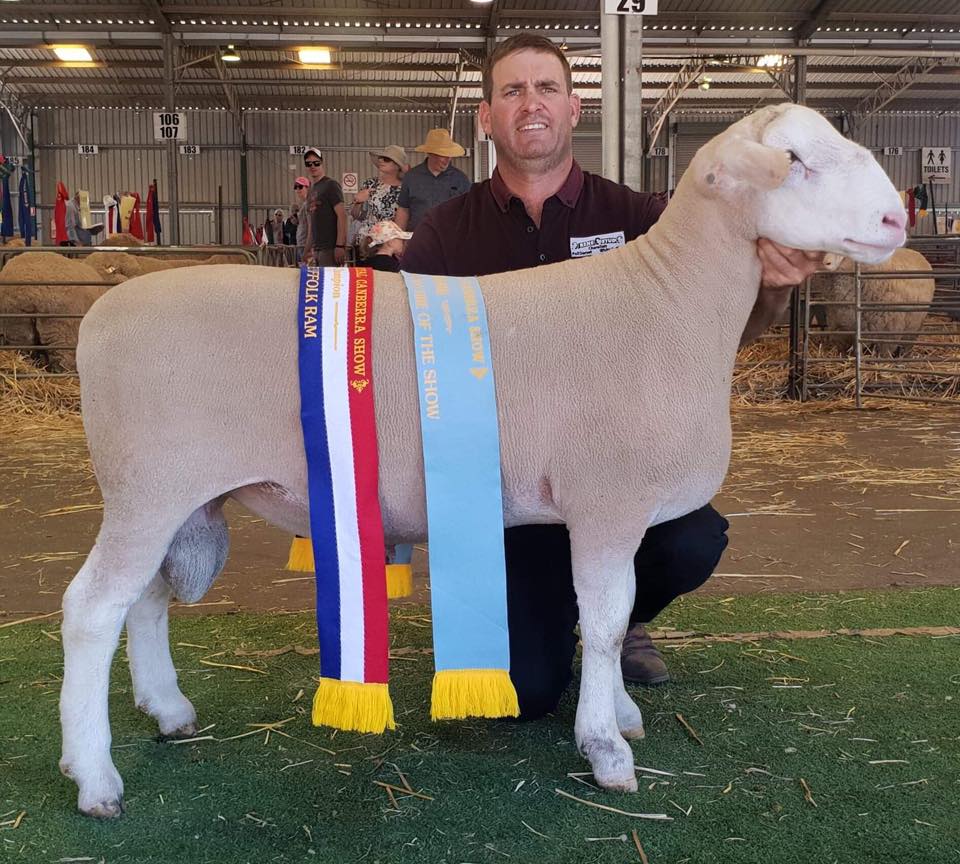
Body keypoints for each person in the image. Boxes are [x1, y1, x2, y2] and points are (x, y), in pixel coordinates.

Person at [401, 33, 823, 720]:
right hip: (507, 493)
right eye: (512, 91)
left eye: (546, 88)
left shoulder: (641, 220)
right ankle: (558, 619)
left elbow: (721, 334)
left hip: (616, 476)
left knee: (693, 538)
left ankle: (619, 617)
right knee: (523, 695)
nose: (530, 104)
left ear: (574, 108)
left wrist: (773, 287)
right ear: (486, 117)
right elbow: (405, 355)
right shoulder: (445, 233)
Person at [394, 129, 471, 232]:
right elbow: (403, 209)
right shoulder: (411, 177)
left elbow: (469, 212)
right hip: (418, 236)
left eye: (449, 155)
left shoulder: (460, 179)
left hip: (450, 238)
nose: (447, 160)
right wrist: (398, 236)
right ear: (430, 153)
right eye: (443, 155)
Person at [350, 145, 406, 254]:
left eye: (386, 159)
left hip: (390, 246)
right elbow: (356, 215)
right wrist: (358, 202)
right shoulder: (370, 184)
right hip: (366, 243)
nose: (381, 161)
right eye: (380, 158)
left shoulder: (406, 189)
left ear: (397, 165)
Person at [301, 147, 347, 267]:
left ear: (322, 163)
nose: (312, 166)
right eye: (308, 164)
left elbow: (342, 216)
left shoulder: (331, 185)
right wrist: (306, 250)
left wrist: (340, 245)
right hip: (316, 250)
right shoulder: (310, 191)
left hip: (330, 249)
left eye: (316, 163)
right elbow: (311, 224)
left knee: (330, 278)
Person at [292, 175, 310, 262]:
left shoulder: (308, 204)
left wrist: (308, 248)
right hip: (302, 244)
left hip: (306, 246)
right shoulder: (304, 204)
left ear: (307, 188)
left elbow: (311, 226)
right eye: (296, 187)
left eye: (300, 187)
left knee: (307, 268)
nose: (298, 189)